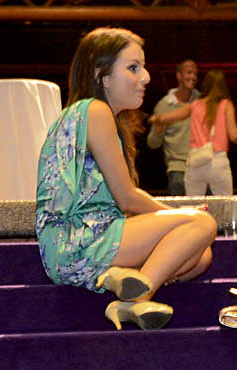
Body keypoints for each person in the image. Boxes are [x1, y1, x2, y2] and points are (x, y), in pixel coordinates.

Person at [35, 28, 217, 331]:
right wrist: (182, 215)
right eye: (133, 68)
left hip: (84, 239)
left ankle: (124, 284)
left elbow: (121, 202)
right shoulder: (94, 110)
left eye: (142, 67)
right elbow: (127, 197)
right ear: (102, 75)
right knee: (202, 226)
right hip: (76, 240)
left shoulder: (91, 114)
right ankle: (133, 300)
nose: (145, 77)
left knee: (201, 256)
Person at [183, 69, 237, 197]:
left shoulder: (195, 105)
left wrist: (156, 119)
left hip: (196, 161)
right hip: (217, 160)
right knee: (225, 204)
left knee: (192, 205)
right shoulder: (226, 105)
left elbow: (171, 117)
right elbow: (234, 135)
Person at [146, 58, 199, 193]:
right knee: (179, 212)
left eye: (195, 74)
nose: (193, 77)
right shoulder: (164, 105)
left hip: (202, 167)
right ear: (179, 76)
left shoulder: (202, 101)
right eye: (189, 73)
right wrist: (158, 131)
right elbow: (152, 143)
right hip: (178, 169)